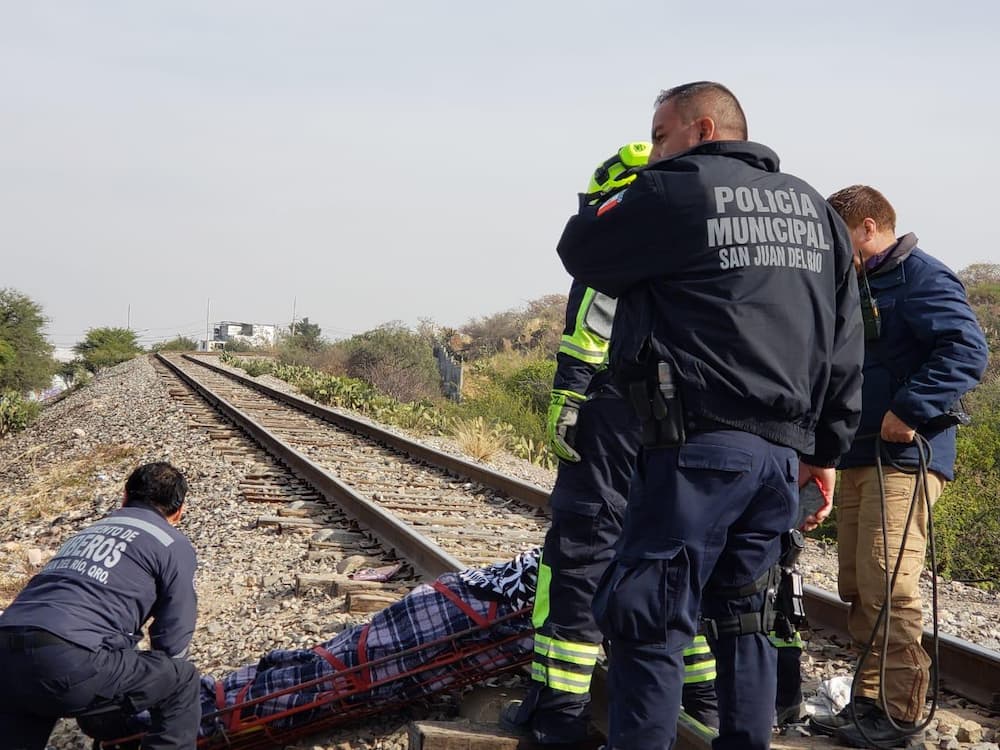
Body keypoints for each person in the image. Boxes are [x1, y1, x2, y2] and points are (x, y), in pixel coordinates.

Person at [557, 81, 864, 750]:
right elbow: (845, 345)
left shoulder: (677, 190)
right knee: (749, 621)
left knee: (647, 616)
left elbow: (582, 250)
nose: (654, 152)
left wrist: (612, 185)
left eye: (659, 137)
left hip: (694, 451)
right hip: (780, 458)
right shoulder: (815, 210)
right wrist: (826, 453)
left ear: (701, 128)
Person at [504, 145, 719, 748]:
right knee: (674, 558)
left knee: (580, 550)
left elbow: (592, 327)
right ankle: (704, 700)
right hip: (683, 421)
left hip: (616, 410)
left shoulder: (628, 232)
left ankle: (560, 713)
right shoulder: (699, 234)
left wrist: (570, 396)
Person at [808, 186, 988, 748]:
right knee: (859, 586)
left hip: (905, 460)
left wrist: (910, 409)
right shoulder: (856, 284)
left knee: (889, 582)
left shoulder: (922, 277)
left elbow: (966, 350)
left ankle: (899, 716)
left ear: (867, 227)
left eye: (838, 237)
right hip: (858, 454)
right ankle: (867, 706)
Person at [80, 549, 542, 747]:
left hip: (451, 602)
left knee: (315, 669)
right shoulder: (587, 574)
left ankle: (153, 708)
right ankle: (144, 721)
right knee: (316, 684)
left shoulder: (584, 543)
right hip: (449, 624)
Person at [0, 462, 200, 750]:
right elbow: (174, 637)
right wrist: (157, 686)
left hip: (6, 653)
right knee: (181, 679)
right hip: (67, 660)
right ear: (178, 512)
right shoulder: (169, 541)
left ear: (124, 497)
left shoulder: (84, 534)